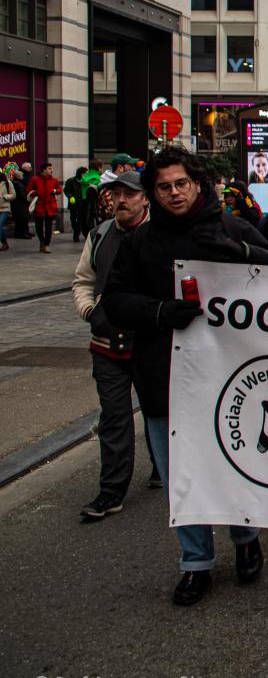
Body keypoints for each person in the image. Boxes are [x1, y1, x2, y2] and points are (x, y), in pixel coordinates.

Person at [102, 147, 268, 606]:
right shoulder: (139, 243)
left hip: (230, 377)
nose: (174, 193)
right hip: (165, 378)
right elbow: (114, 300)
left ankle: (246, 539)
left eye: (181, 184)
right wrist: (162, 311)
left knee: (234, 459)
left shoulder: (229, 227)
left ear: (198, 184)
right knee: (180, 474)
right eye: (164, 187)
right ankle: (195, 563)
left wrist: (242, 252)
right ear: (153, 194)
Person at [72, 171, 152, 520]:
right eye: (116, 194)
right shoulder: (100, 234)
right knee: (115, 418)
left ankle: (165, 469)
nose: (121, 200)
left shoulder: (161, 234)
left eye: (129, 194)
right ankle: (111, 492)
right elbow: (82, 281)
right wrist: (90, 311)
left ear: (144, 198)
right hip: (107, 343)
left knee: (159, 415)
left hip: (152, 345)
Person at [27, 161, 60, 253]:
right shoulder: (35, 179)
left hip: (50, 206)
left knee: (49, 226)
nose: (51, 170)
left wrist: (55, 191)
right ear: (43, 170)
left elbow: (59, 189)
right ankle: (42, 240)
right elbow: (29, 190)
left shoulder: (54, 180)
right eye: (49, 169)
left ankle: (47, 244)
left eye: (51, 168)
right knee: (39, 226)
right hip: (39, 206)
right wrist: (35, 193)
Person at [64, 166, 87, 241]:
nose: (85, 175)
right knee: (73, 219)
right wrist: (70, 196)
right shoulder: (70, 181)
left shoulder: (85, 182)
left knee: (81, 219)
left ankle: (77, 233)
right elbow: (66, 190)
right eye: (84, 173)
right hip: (74, 204)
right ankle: (76, 231)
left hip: (83, 204)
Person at [0, 166, 14, 251]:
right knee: (0, 227)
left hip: (4, 208)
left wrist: (4, 197)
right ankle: (5, 243)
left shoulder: (7, 182)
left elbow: (13, 195)